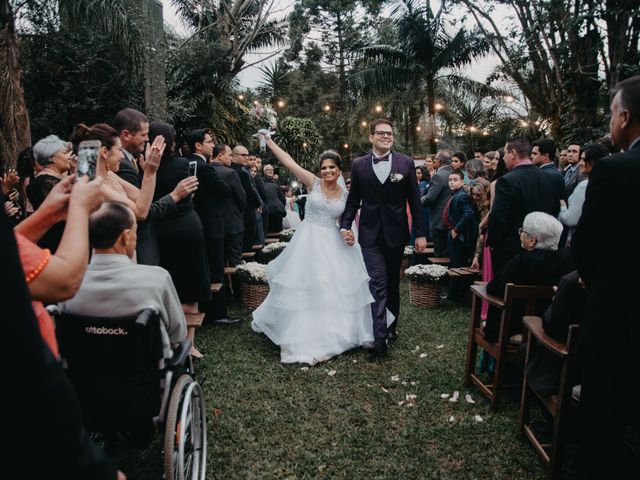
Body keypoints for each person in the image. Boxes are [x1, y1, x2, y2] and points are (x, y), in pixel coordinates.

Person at [2, 208, 126, 480]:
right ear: (126, 238)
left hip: (76, 371)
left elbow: (10, 254)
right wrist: (80, 207)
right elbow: (66, 282)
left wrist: (46, 214)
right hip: (33, 398)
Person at [251, 137, 375, 365]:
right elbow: (289, 162)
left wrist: (348, 236)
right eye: (324, 167)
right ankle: (299, 333)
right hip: (308, 241)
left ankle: (330, 337)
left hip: (332, 244)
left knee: (329, 288)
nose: (327, 171)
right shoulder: (313, 182)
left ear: (339, 170)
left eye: (331, 167)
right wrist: (269, 142)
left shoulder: (346, 196)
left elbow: (343, 223)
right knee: (305, 286)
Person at [571, 74, 640, 479]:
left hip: (619, 314)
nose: (611, 122)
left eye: (613, 113)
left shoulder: (615, 170)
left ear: (626, 117)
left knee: (604, 419)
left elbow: (586, 245)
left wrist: (589, 277)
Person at [341, 119, 427, 355]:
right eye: (381, 133)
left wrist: (420, 234)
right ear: (371, 137)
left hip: (396, 232)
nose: (386, 136)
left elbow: (415, 202)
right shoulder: (358, 165)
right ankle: (380, 337)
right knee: (377, 281)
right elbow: (353, 200)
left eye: (389, 133)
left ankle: (391, 326)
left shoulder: (406, 163)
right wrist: (345, 226)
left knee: (391, 282)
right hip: (369, 233)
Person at [59, 202, 187, 360]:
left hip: (86, 376)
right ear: (125, 236)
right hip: (145, 376)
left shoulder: (69, 283)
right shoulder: (157, 279)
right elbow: (177, 334)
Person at [150, 122, 211, 356]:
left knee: (168, 284)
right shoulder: (185, 165)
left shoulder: (145, 169)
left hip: (159, 229)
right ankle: (189, 344)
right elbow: (193, 192)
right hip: (186, 227)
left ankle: (169, 342)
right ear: (171, 141)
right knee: (191, 285)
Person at [484, 212, 574, 343]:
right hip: (547, 326)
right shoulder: (567, 259)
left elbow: (493, 288)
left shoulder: (522, 260)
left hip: (512, 328)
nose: (520, 234)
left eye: (522, 231)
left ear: (532, 240)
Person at [487, 138, 564, 276]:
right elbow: (554, 212)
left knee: (505, 291)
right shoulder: (549, 178)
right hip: (542, 249)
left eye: (505, 153)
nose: (503, 158)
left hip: (510, 250)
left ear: (513, 153)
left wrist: (495, 244)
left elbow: (497, 216)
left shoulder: (507, 181)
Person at [69, 123, 165, 221]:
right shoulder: (95, 186)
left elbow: (141, 198)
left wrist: (150, 169)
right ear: (105, 152)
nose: (122, 156)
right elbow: (141, 213)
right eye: (119, 150)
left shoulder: (109, 175)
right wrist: (150, 174)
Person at [26, 134, 73, 252]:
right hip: (60, 245)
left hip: (49, 242)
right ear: (52, 158)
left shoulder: (40, 181)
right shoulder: (48, 182)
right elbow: (73, 211)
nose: (68, 157)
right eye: (64, 153)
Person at [557, 143, 609, 246]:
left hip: (580, 238)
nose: (580, 163)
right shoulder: (608, 181)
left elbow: (570, 219)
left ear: (592, 162)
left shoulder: (584, 185)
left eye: (583, 159)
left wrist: (562, 207)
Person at [443, 170, 476, 301]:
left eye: (455, 179)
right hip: (452, 233)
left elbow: (468, 214)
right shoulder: (455, 194)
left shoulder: (462, 196)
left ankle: (455, 294)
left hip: (458, 235)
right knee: (454, 262)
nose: (451, 182)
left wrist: (456, 230)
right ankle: (455, 292)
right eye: (450, 180)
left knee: (457, 264)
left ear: (462, 182)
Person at [421, 150, 453, 256]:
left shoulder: (438, 176)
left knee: (439, 253)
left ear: (438, 161)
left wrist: (417, 201)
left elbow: (430, 198)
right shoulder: (455, 173)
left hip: (439, 220)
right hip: (452, 219)